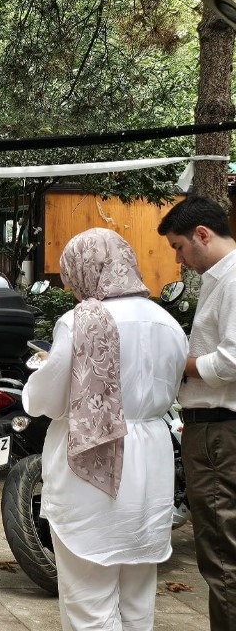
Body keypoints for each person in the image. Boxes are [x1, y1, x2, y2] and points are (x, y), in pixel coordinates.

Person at [25, 228, 186, 630]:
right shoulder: (166, 321)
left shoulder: (80, 321)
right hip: (151, 460)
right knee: (137, 595)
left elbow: (48, 399)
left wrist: (40, 376)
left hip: (90, 462)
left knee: (88, 599)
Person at [158, 195, 236, 628]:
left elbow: (231, 360)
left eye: (179, 247)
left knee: (222, 555)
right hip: (211, 426)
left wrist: (179, 364)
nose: (179, 259)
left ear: (202, 234)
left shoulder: (232, 278)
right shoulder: (217, 278)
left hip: (221, 431)